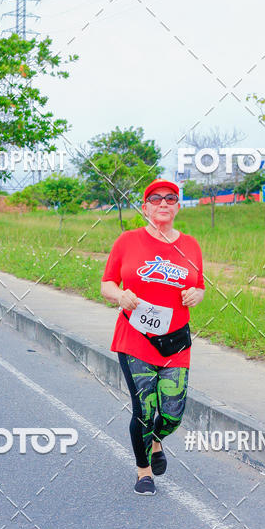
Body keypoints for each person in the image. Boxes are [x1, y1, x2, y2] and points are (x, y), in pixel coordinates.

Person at [101, 179, 205, 496]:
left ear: (178, 207)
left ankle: (157, 439)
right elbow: (106, 284)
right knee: (144, 410)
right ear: (145, 208)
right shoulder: (127, 241)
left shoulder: (190, 245)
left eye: (170, 198)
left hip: (176, 342)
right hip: (136, 338)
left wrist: (197, 294)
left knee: (172, 414)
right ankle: (143, 470)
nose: (163, 203)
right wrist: (120, 296)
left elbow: (199, 286)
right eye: (155, 198)